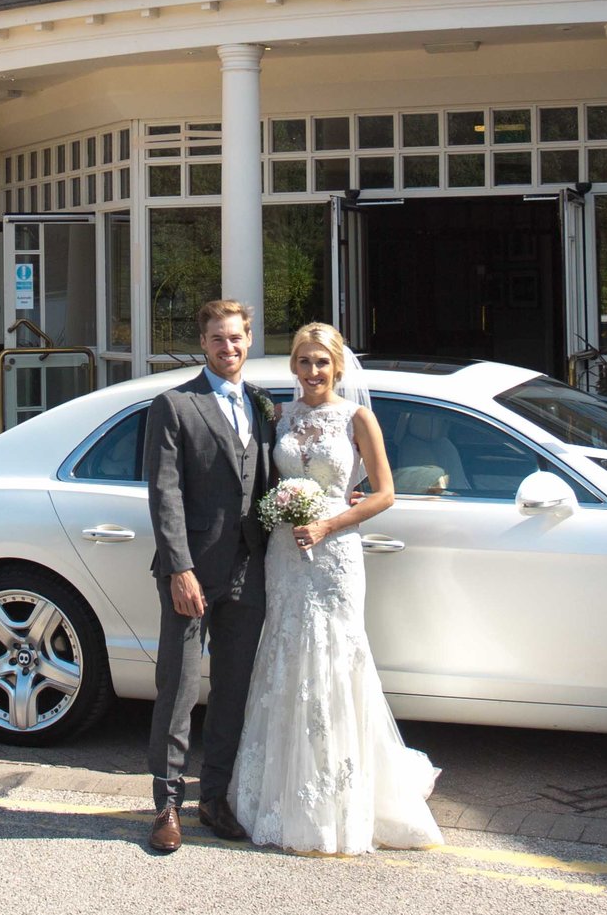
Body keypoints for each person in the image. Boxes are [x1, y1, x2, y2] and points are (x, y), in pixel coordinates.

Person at [229, 321, 442, 855]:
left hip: (334, 556)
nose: (312, 371)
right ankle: (277, 795)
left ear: (338, 367)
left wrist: (328, 524)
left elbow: (384, 493)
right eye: (303, 361)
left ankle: (337, 798)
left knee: (333, 657)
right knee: (286, 655)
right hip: (285, 553)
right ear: (293, 366)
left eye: (321, 362)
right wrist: (280, 511)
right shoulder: (281, 416)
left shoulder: (357, 418)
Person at [142, 298, 273, 855]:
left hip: (249, 569)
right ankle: (167, 804)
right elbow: (164, 492)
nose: (229, 348)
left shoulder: (264, 406)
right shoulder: (174, 405)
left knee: (233, 689)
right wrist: (180, 568)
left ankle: (213, 798)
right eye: (219, 339)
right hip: (191, 573)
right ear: (205, 343)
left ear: (249, 340)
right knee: (177, 687)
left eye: (237, 338)